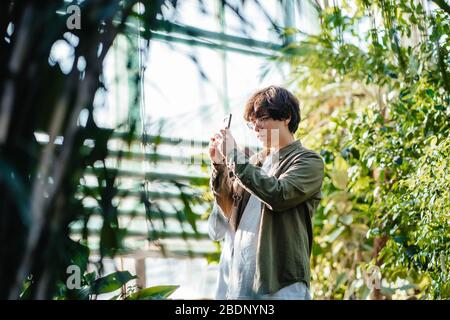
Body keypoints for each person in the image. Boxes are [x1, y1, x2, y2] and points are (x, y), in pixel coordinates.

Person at [208, 85, 324, 299]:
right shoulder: (254, 162)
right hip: (241, 281)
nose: (256, 127)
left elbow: (279, 195)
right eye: (252, 123)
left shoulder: (307, 160)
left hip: (280, 283)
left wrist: (234, 155)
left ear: (286, 117)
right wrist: (219, 165)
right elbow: (227, 208)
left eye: (262, 118)